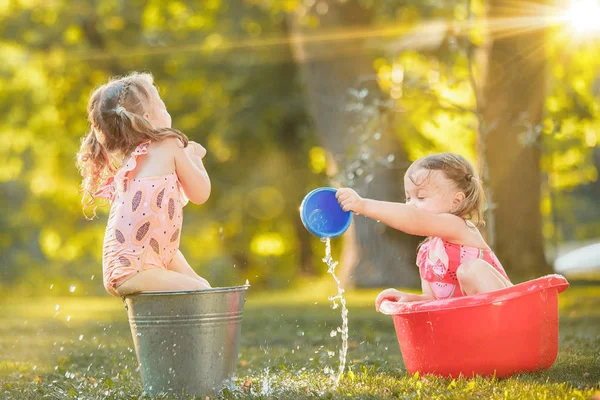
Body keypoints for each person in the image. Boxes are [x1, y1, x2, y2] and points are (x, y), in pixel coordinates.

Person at [77, 72, 211, 296]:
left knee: (201, 285)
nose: (167, 109)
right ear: (148, 118)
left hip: (130, 265)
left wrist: (195, 278)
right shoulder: (169, 144)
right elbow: (201, 193)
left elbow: (158, 240)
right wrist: (195, 156)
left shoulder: (130, 161)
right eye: (162, 104)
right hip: (138, 269)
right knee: (201, 294)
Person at [335, 153, 512, 310]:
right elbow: (433, 300)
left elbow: (413, 218)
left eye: (421, 197)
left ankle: (509, 325)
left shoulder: (458, 227)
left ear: (456, 202)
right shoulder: (427, 254)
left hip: (511, 309)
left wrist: (363, 205)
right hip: (475, 328)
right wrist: (408, 298)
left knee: (471, 269)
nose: (411, 204)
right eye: (408, 197)